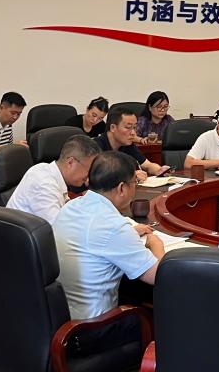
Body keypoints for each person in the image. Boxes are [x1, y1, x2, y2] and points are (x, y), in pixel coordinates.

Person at [53, 151, 162, 355]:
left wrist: (129, 233)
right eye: (134, 183)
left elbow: (95, 237)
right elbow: (160, 276)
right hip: (91, 330)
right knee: (156, 319)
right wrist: (156, 244)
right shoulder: (113, 226)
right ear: (121, 188)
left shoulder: (70, 207)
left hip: (60, 323)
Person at [6, 134, 101, 223]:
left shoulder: (46, 169)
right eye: (89, 169)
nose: (89, 176)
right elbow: (59, 230)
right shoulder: (44, 185)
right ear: (70, 162)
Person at [95, 107, 169, 181]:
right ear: (113, 128)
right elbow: (99, 177)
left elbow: (147, 165)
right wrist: (130, 176)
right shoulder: (95, 147)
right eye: (128, 127)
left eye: (135, 127)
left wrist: (159, 170)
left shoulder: (127, 145)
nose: (133, 133)